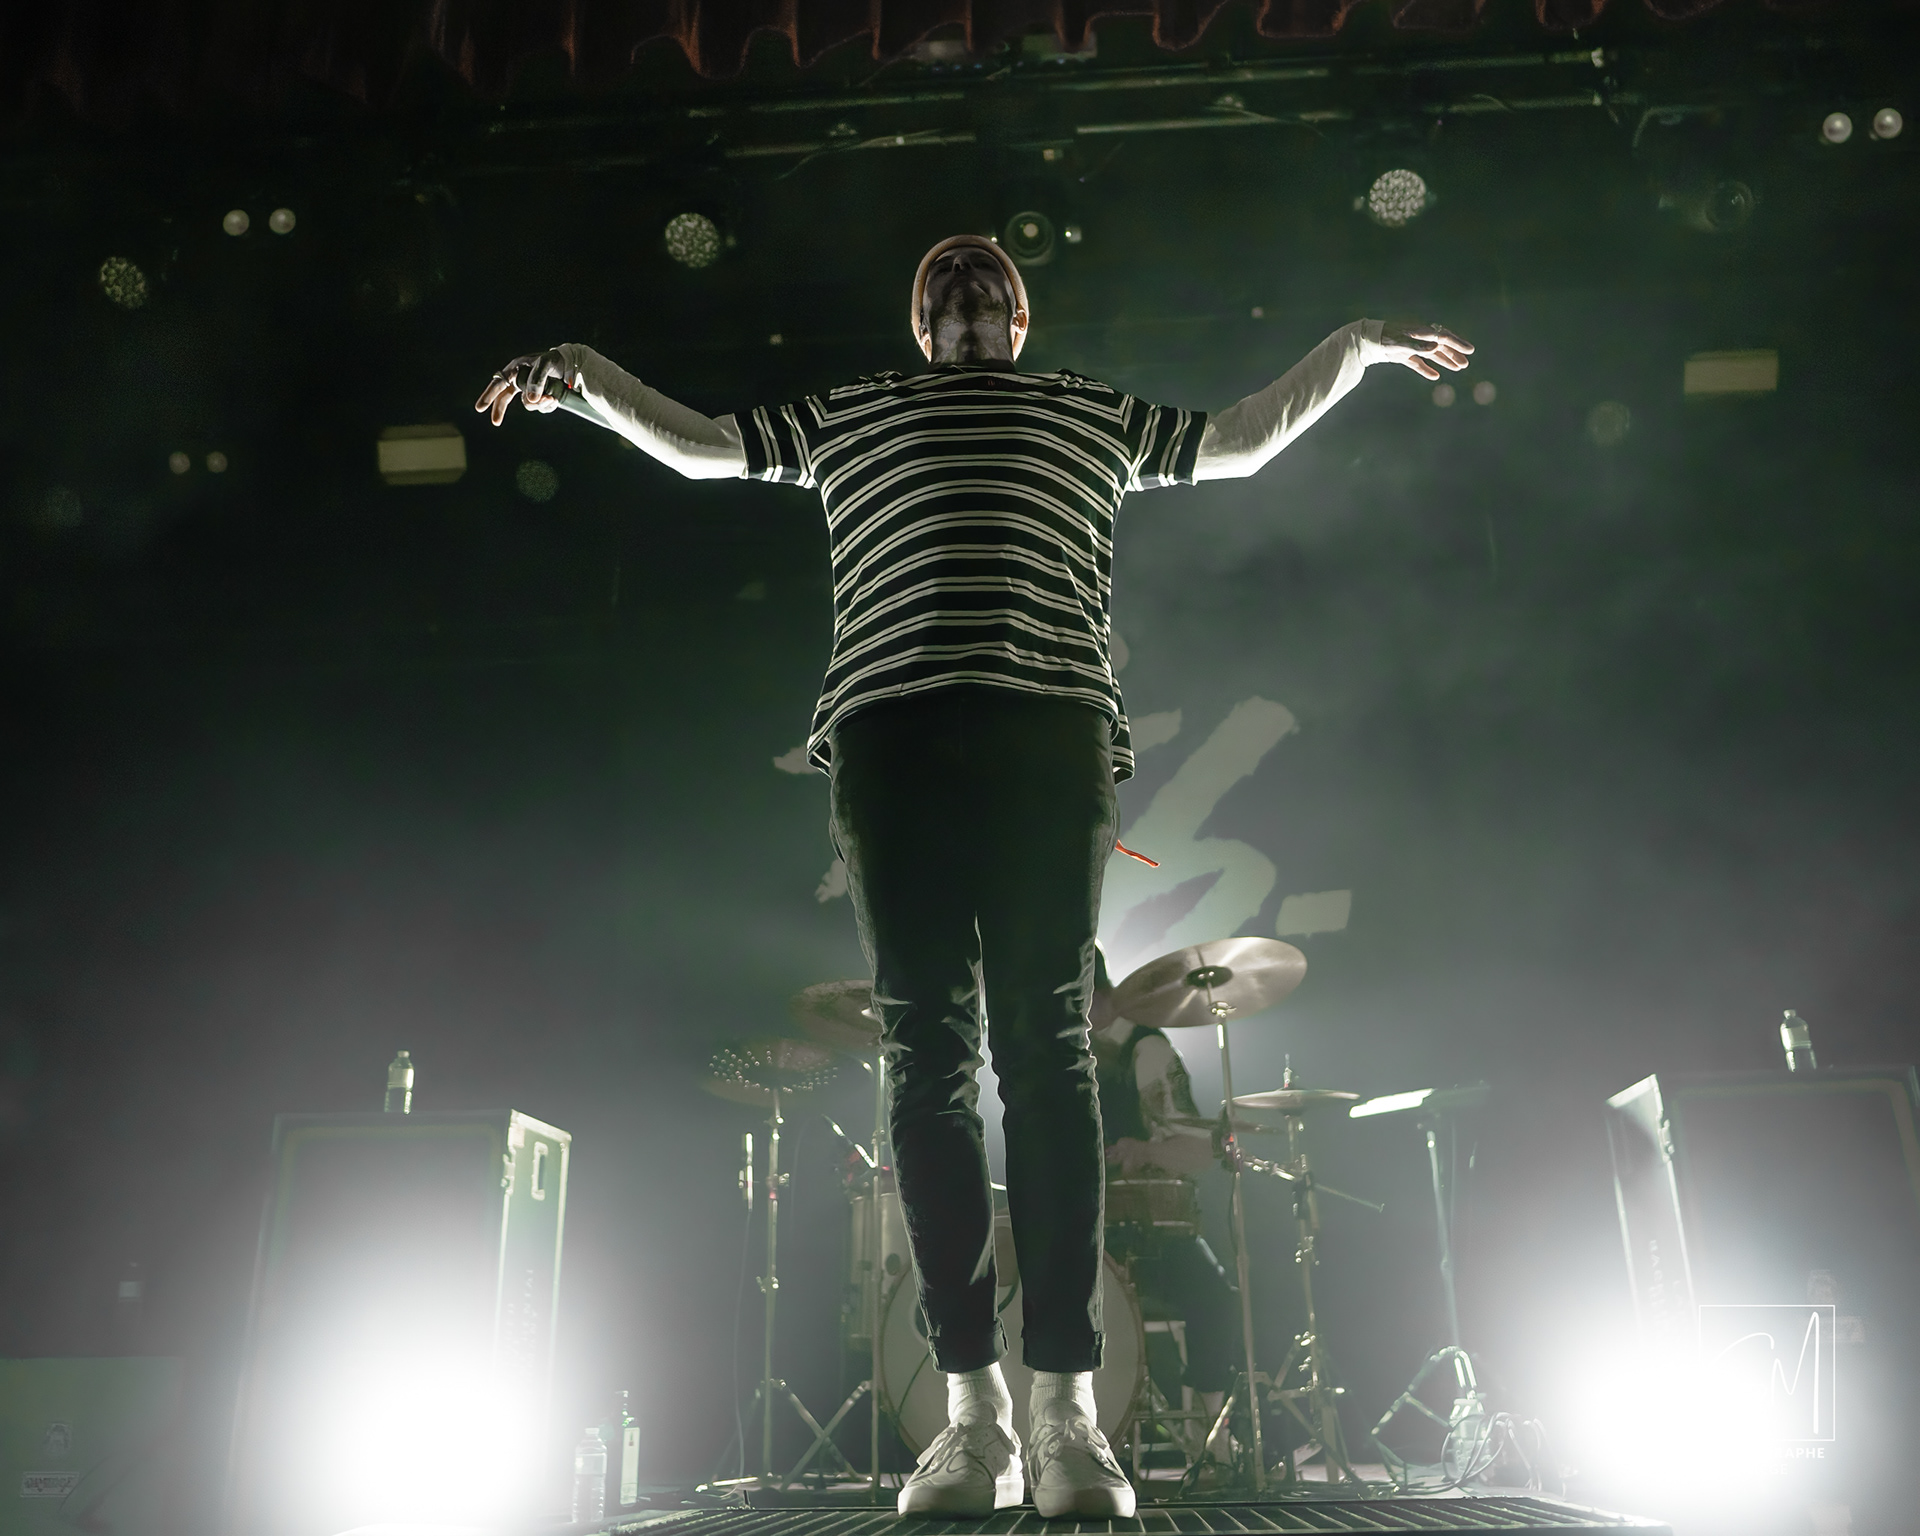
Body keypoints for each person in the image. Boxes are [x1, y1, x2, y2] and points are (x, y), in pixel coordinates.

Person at [477, 237, 1470, 1516]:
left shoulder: (1083, 410)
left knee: (1049, 1050)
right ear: (920, 323)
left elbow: (1237, 442)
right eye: (940, 277)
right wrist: (582, 376)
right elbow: (707, 447)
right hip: (891, 735)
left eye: (985, 275)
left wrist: (1356, 348)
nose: (962, 280)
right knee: (925, 1057)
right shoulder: (857, 410)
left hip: (1049, 732)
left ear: (1018, 317)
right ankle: (972, 1416)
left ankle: (1066, 1414)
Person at [1089, 949, 1240, 1452]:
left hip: (1144, 1232)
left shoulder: (1145, 1051)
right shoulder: (1062, 1056)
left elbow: (1198, 1151)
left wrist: (1145, 1150)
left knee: (1214, 1299)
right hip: (1084, 1233)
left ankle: (1209, 1436)